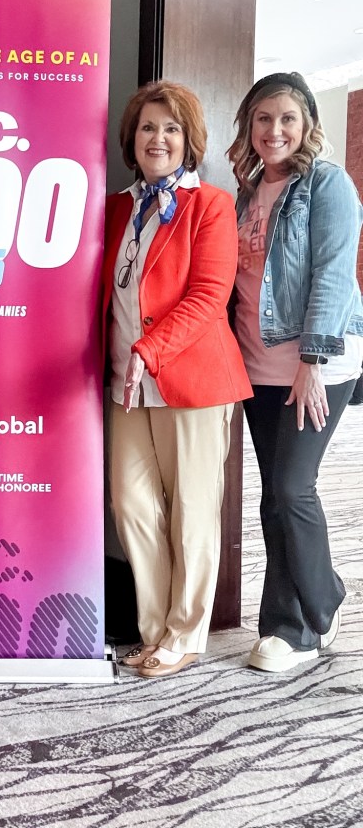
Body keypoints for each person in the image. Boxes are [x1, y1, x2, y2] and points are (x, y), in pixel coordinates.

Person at [104, 80, 252, 679]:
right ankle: (153, 627)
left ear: (189, 140)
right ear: (131, 140)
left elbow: (209, 295)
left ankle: (185, 632)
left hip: (191, 379)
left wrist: (150, 347)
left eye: (171, 129)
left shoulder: (209, 205)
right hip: (125, 381)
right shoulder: (118, 206)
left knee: (192, 508)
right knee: (132, 505)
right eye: (147, 128)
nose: (158, 138)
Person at [229, 71, 363, 673]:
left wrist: (313, 360)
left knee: (292, 487)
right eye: (263, 118)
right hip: (258, 365)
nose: (274, 129)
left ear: (307, 124)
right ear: (248, 127)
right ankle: (303, 608)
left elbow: (335, 272)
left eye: (287, 117)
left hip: (318, 362)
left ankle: (307, 619)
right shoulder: (245, 193)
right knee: (273, 497)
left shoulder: (327, 185)